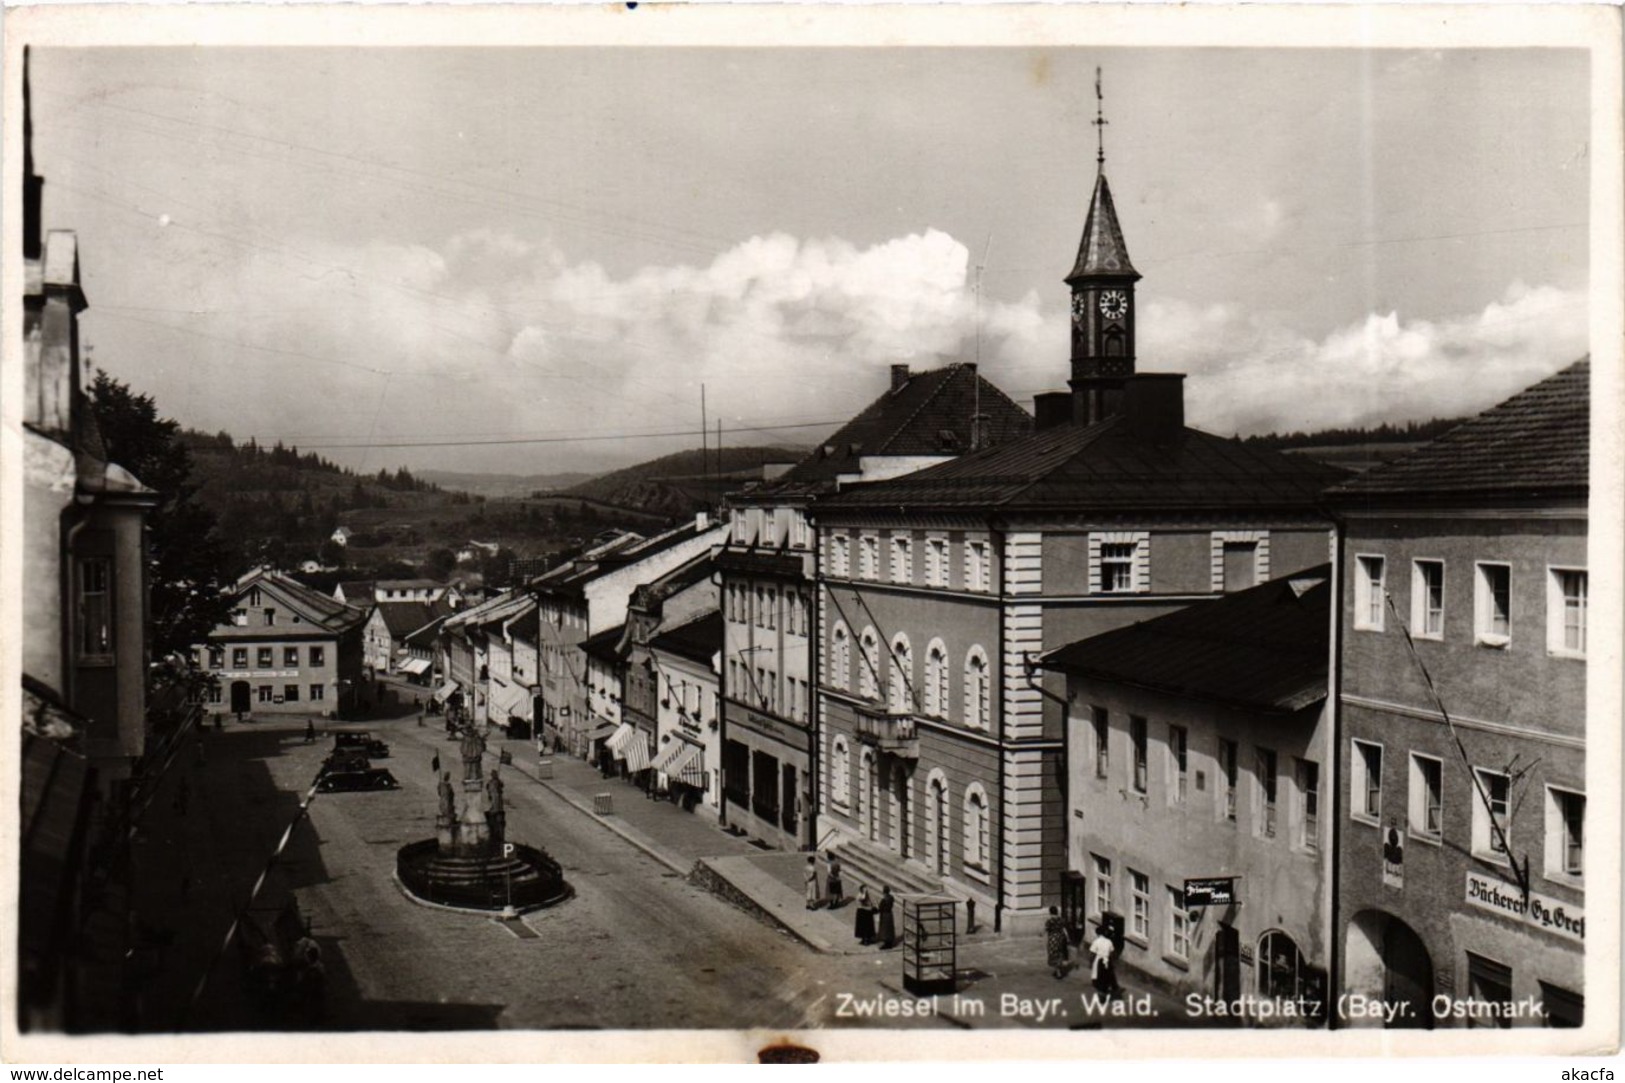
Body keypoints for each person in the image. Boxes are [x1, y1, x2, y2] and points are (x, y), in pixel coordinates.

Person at [1089, 925, 1121, 996]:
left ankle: (1100, 989)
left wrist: (1091, 962)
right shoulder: (1109, 942)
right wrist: (1111, 961)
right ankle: (1108, 986)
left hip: (1099, 960)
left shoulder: (1096, 941)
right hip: (1107, 960)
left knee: (1098, 973)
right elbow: (1112, 953)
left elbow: (1092, 953)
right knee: (1107, 973)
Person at [1045, 906, 1070, 979]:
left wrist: (1041, 934)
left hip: (1053, 939)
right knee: (1059, 953)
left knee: (1053, 953)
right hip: (1060, 938)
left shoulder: (1050, 921)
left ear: (1050, 912)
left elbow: (1046, 929)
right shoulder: (1061, 920)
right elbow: (1064, 929)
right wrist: (1067, 937)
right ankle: (1059, 968)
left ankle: (1058, 970)